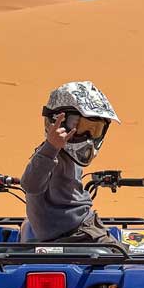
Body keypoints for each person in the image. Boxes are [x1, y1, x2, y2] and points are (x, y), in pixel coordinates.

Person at [20, 81, 122, 246]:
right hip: (82, 232)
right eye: (80, 127)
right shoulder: (50, 153)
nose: (89, 136)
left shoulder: (67, 155)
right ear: (57, 121)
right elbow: (30, 183)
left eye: (95, 129)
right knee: (125, 257)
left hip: (75, 230)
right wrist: (51, 147)